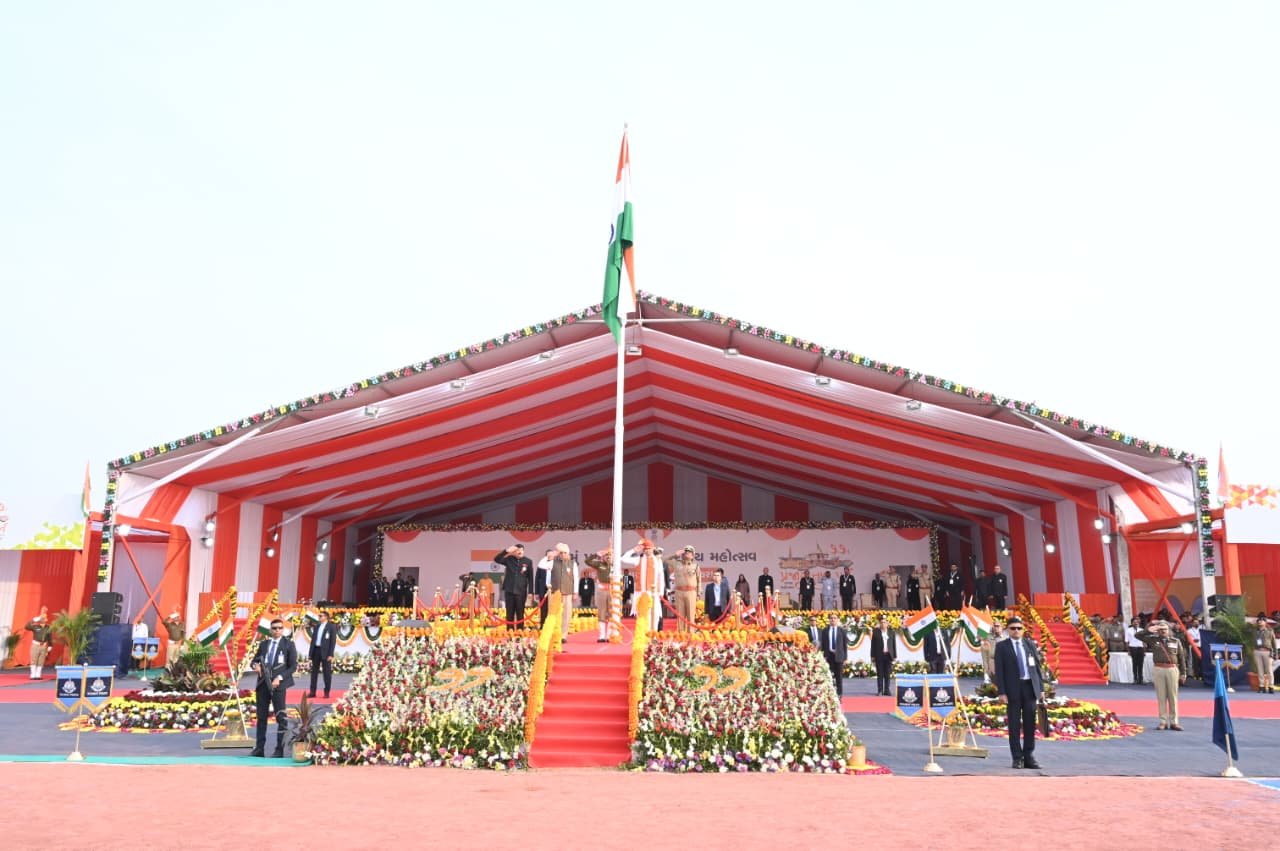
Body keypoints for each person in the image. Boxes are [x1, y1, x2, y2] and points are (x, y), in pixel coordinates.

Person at [993, 616, 1044, 769]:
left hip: (1030, 688)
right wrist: (1001, 692)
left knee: (1030, 724)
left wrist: (1041, 688)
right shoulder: (1002, 646)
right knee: (1014, 725)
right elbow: (999, 672)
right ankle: (1017, 758)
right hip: (1012, 690)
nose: (1016, 631)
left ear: (1023, 630)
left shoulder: (1029, 644)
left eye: (1019, 628)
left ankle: (1029, 756)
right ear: (1008, 630)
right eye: (1013, 628)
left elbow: (1037, 668)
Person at [251, 618, 297, 758]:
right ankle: (259, 748)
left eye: (279, 628)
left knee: (281, 718)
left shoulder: (288, 644)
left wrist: (280, 678)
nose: (277, 630)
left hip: (278, 685)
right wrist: (256, 666)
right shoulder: (264, 644)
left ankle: (279, 749)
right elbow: (254, 660)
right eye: (274, 628)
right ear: (270, 630)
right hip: (263, 684)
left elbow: (293, 666)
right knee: (261, 717)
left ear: (283, 630)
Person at [1147, 620, 1187, 729]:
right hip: (1159, 668)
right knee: (1161, 696)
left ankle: (1174, 722)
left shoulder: (1176, 641)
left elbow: (1181, 658)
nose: (1162, 631)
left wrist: (1183, 673)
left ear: (1168, 630)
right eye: (1160, 630)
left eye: (1164, 629)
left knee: (1173, 696)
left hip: (1172, 669)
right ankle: (1163, 722)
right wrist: (1150, 629)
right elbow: (1138, 636)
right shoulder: (1153, 640)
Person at [494, 544, 532, 630]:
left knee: (520, 613)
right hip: (509, 590)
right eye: (517, 550)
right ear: (514, 552)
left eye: (521, 550)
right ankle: (510, 630)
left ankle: (520, 631)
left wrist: (530, 592)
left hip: (521, 591)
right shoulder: (509, 559)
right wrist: (506, 551)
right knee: (509, 613)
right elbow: (496, 559)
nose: (520, 551)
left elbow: (530, 578)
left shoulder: (528, 561)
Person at [584, 547, 615, 643]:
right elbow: (587, 561)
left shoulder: (615, 565)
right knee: (601, 612)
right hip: (601, 590)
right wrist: (597, 554)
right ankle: (602, 636)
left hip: (612, 590)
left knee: (611, 613)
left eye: (610, 556)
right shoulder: (599, 564)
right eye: (606, 556)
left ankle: (609, 635)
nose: (608, 557)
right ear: (604, 557)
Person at [549, 543, 578, 642]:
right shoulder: (552, 562)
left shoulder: (572, 563)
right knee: (554, 614)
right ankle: (554, 633)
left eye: (565, 553)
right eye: (561, 553)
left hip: (567, 593)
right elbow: (542, 565)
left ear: (568, 553)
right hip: (555, 593)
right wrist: (553, 555)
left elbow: (576, 578)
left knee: (566, 614)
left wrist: (575, 592)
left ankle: (563, 636)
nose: (563, 555)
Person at [671, 546, 701, 632]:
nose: (687, 553)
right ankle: (681, 634)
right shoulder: (677, 563)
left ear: (693, 555)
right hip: (679, 592)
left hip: (691, 592)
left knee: (691, 615)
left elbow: (699, 580)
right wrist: (675, 555)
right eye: (685, 552)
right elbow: (663, 560)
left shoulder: (695, 566)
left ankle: (691, 634)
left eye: (689, 552)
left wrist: (698, 593)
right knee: (680, 615)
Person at [308, 610, 337, 698]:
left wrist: (331, 654)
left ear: (326, 617)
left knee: (326, 673)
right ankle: (313, 692)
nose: (319, 617)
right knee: (314, 673)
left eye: (321, 616)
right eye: (319, 616)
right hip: (316, 650)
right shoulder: (317, 626)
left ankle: (326, 692)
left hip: (326, 652)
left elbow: (333, 642)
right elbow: (313, 640)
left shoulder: (331, 627)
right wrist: (310, 653)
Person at [820, 617, 848, 696]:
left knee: (839, 676)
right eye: (831, 618)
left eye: (835, 618)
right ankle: (830, 694)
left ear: (838, 620)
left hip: (839, 656)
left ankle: (839, 694)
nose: (833, 620)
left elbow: (844, 645)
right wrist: (823, 655)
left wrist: (845, 658)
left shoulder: (841, 630)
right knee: (828, 675)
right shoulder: (825, 630)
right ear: (829, 620)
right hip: (828, 656)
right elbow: (823, 644)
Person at [869, 614, 896, 696]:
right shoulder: (876, 632)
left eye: (884, 622)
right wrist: (872, 656)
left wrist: (894, 656)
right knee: (880, 673)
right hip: (879, 655)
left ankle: (887, 690)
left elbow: (893, 644)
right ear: (879, 623)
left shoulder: (891, 632)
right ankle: (880, 690)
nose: (883, 624)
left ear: (887, 624)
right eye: (881, 622)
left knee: (887, 674)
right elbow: (873, 645)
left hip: (888, 655)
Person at [25, 607, 53, 680]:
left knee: (41, 660)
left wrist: (50, 645)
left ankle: (38, 674)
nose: (44, 619)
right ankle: (33, 674)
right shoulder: (35, 626)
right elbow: (26, 626)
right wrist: (35, 619)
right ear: (40, 619)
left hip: (43, 646)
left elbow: (49, 637)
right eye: (42, 618)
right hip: (36, 645)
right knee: (34, 659)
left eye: (45, 618)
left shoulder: (48, 627)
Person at [1254, 616, 1276, 694]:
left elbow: (1274, 643)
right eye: (1259, 620)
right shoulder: (1255, 631)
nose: (1260, 622)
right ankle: (1261, 686)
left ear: (1265, 622)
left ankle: (1271, 686)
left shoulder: (1270, 631)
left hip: (1267, 651)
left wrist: (1275, 654)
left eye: (1262, 620)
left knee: (1269, 670)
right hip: (1257, 651)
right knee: (1260, 670)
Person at [1125, 616, 1148, 684]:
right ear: (1132, 623)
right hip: (1133, 648)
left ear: (1139, 623)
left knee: (1140, 664)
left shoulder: (1141, 630)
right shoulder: (1128, 630)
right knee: (1134, 664)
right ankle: (1135, 679)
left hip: (1140, 648)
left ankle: (1140, 679)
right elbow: (1126, 641)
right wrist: (1128, 651)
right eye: (1134, 622)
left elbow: (1144, 641)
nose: (1136, 623)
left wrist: (1144, 650)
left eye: (1137, 622)